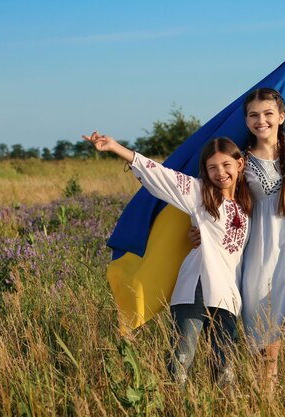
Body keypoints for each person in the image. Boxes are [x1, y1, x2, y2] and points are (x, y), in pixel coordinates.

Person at [191, 38, 285, 388]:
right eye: (254, 115)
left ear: (281, 116)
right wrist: (204, 232)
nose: (262, 120)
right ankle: (266, 405)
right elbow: (219, 200)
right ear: (247, 120)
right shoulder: (239, 162)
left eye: (269, 114)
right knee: (267, 357)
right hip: (263, 261)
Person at [82, 131, 251, 385]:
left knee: (224, 363)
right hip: (195, 287)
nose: (221, 172)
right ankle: (175, 406)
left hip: (228, 293)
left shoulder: (248, 204)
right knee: (181, 358)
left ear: (240, 164)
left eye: (226, 164)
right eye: (212, 167)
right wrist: (117, 148)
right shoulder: (200, 193)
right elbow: (162, 176)